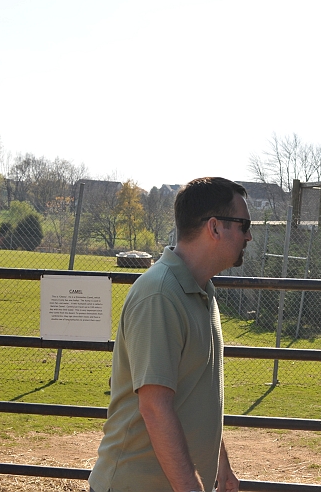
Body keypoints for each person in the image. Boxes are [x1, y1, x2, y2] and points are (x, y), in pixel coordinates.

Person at [89, 177, 251, 492]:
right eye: (244, 225)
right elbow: (154, 407)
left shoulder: (201, 290)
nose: (249, 236)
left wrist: (221, 464)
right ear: (215, 228)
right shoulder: (160, 295)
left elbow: (195, 392)